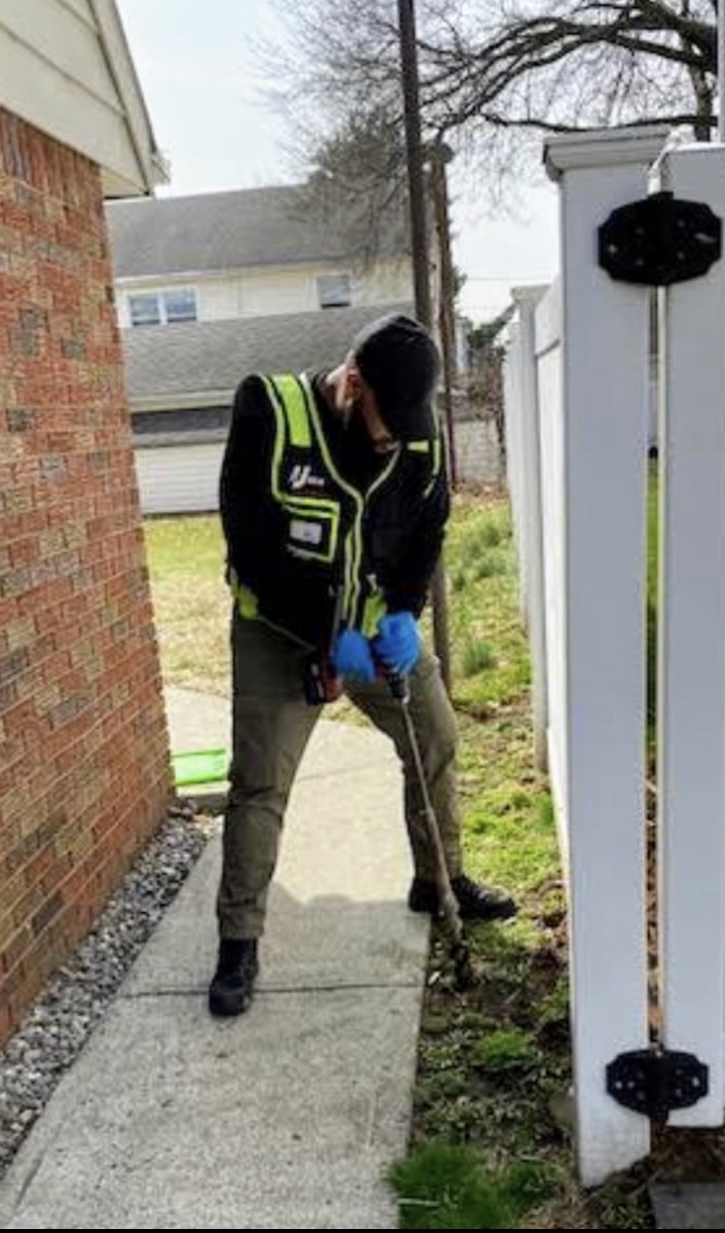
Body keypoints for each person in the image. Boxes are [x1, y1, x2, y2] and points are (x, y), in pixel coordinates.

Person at [210, 312, 516, 1017]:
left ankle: (439, 879)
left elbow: (427, 526)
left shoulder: (415, 431)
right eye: (384, 418)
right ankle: (238, 940)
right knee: (260, 785)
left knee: (435, 741)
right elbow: (249, 543)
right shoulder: (268, 408)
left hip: (377, 628)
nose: (395, 437)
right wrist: (326, 631)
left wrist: (404, 609)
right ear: (352, 384)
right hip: (280, 632)